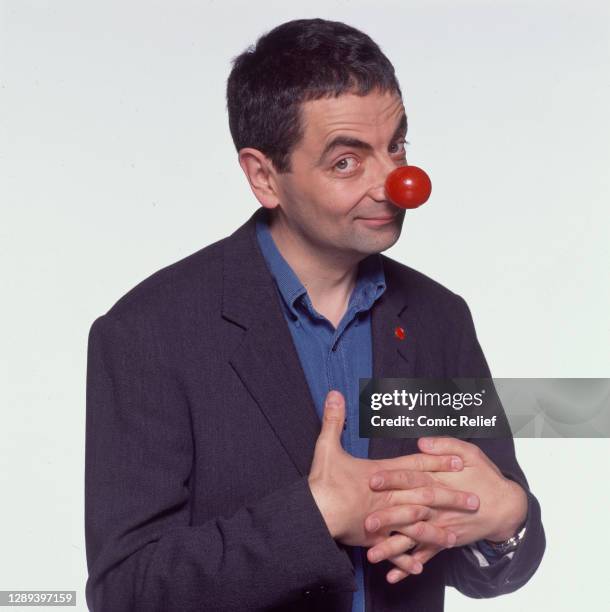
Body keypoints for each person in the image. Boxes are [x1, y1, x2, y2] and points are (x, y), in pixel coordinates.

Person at [84, 18, 545, 611]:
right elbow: (126, 591)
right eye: (347, 162)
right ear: (263, 177)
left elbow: (487, 564)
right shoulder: (148, 333)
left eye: (396, 146)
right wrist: (315, 516)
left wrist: (507, 516)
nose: (396, 184)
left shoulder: (437, 318)